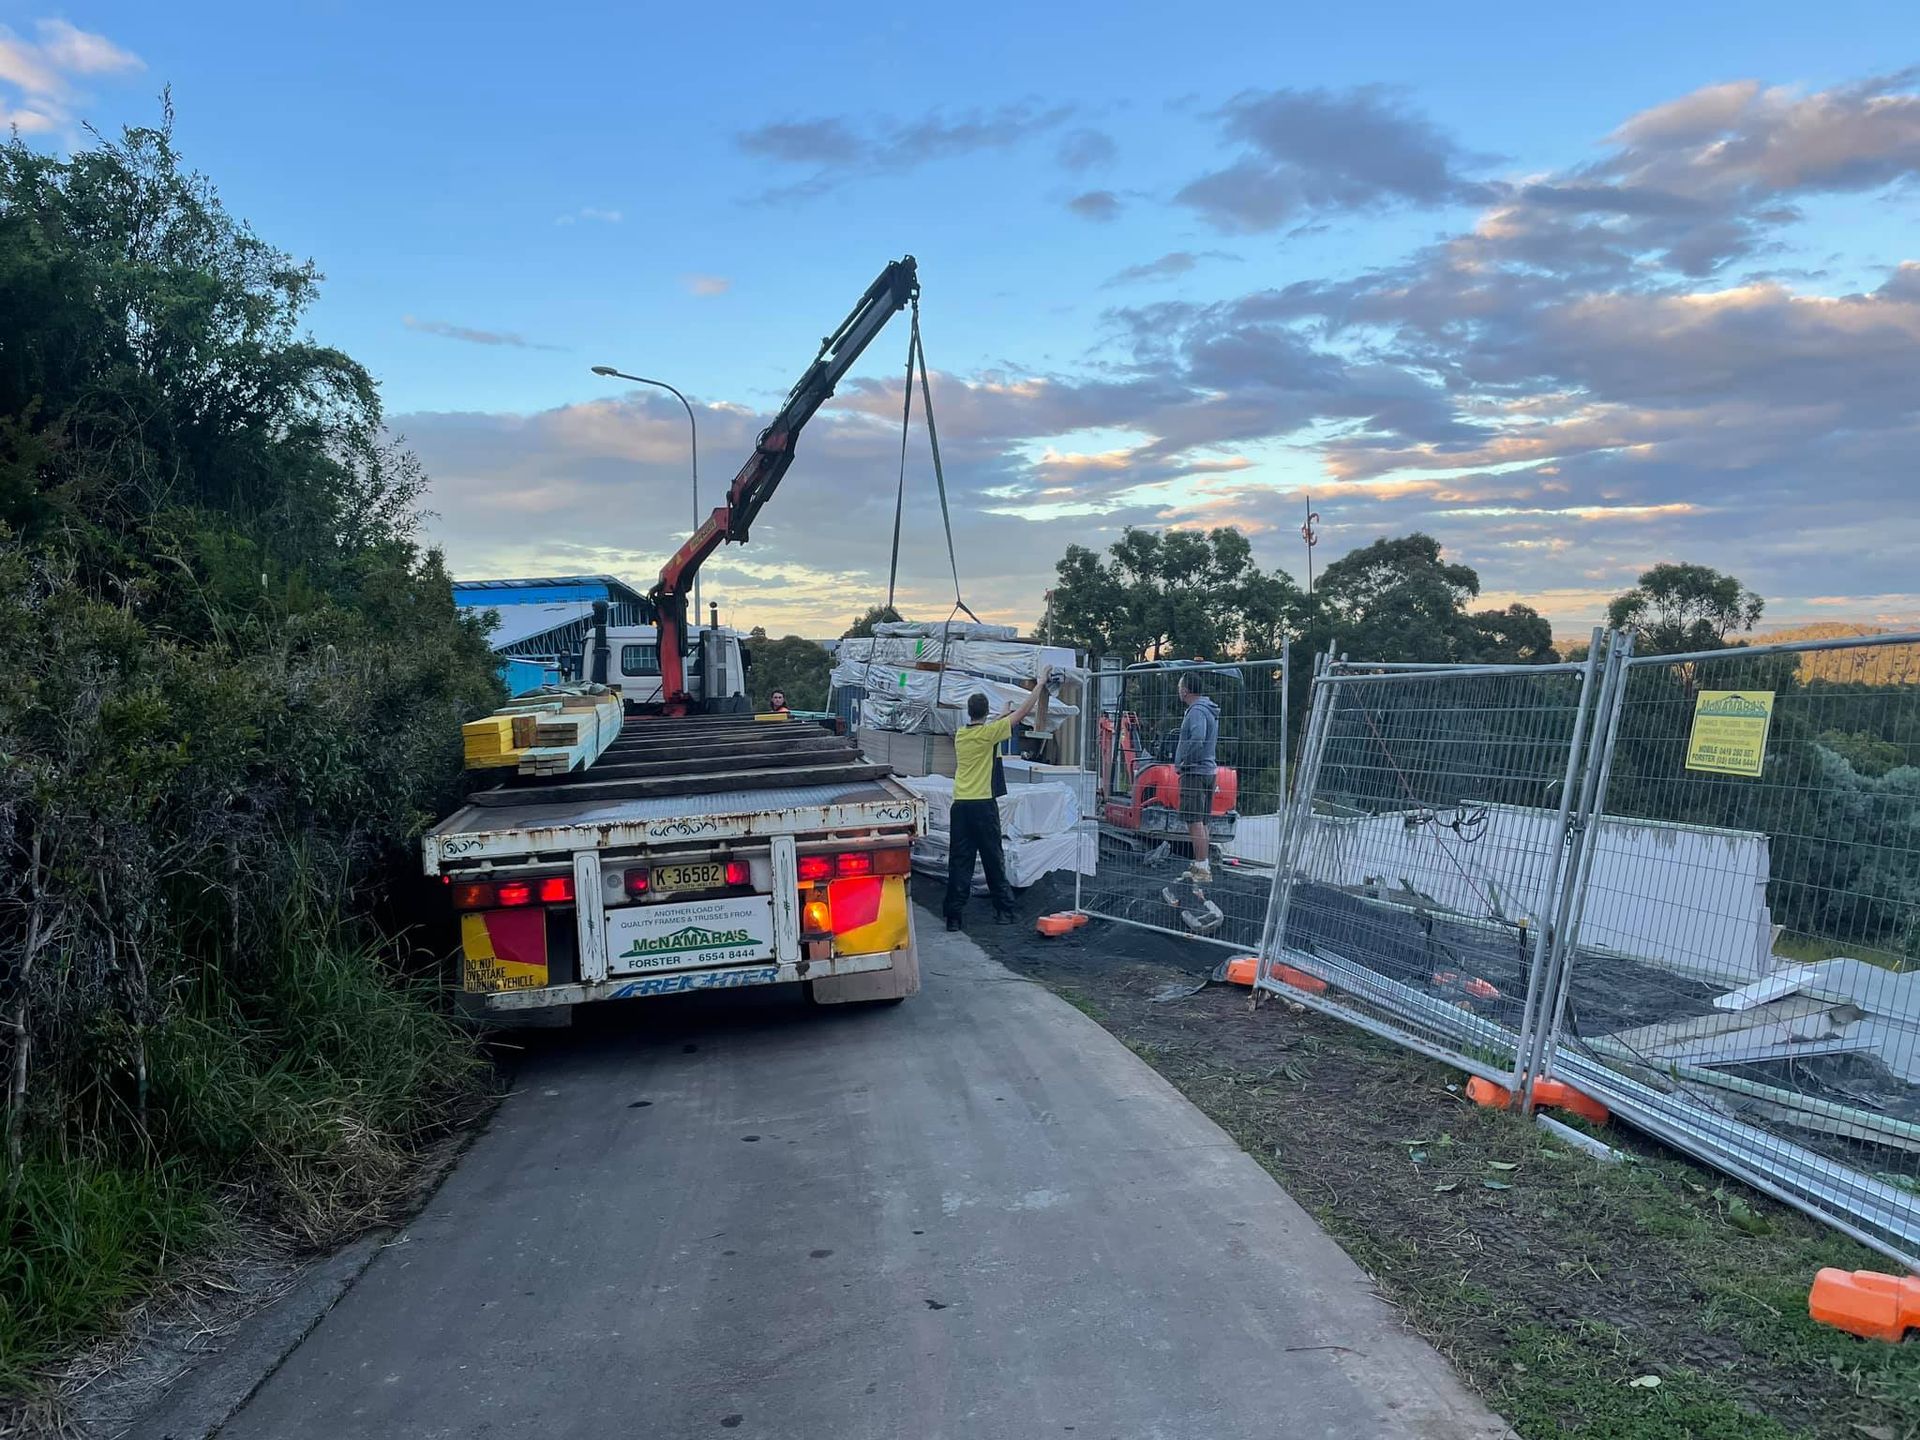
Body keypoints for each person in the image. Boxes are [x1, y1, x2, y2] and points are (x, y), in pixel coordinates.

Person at [945, 664, 1051, 932]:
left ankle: (953, 917)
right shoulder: (989, 734)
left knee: (960, 861)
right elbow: (1022, 713)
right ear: (986, 712)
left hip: (960, 806)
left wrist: (1002, 712)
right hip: (983, 806)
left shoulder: (962, 735)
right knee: (992, 858)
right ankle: (1005, 911)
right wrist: (1040, 684)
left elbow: (992, 725)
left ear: (969, 712)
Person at [1173, 670, 1220, 886]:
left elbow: (1198, 737)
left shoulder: (1196, 711)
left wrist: (1185, 762)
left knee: (1194, 820)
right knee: (1202, 821)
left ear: (1185, 690)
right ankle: (1202, 865)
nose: (1178, 691)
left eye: (1179, 687)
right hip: (1207, 771)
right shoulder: (1207, 709)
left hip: (1195, 772)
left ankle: (1202, 869)